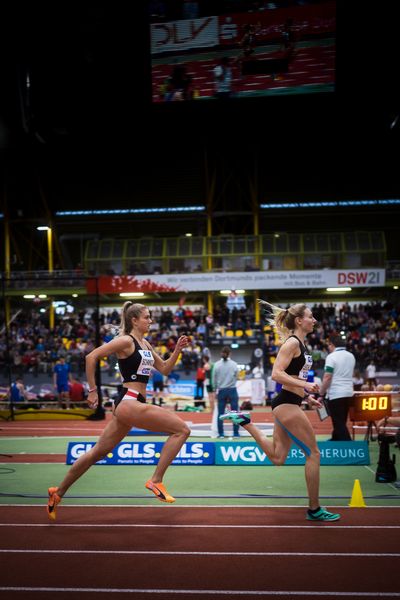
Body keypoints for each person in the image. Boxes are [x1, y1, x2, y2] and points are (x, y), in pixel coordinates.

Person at [46, 302, 191, 520]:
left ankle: (58, 492)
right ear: (134, 320)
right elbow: (91, 357)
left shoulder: (147, 344)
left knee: (97, 453)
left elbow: (165, 369)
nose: (150, 321)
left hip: (132, 403)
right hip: (129, 401)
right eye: (147, 317)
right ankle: (156, 480)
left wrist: (177, 351)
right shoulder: (125, 340)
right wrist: (93, 390)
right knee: (181, 430)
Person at [220, 301, 340, 522]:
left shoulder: (301, 346)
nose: (314, 320)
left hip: (289, 401)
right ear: (299, 321)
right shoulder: (292, 344)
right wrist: (305, 386)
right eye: (311, 317)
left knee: (277, 457)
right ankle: (314, 509)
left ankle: (246, 422)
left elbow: (292, 380)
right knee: (313, 454)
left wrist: (307, 397)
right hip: (286, 404)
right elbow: (276, 374)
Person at [317, 336, 355, 441]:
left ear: (332, 345)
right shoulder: (351, 356)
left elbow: (327, 377)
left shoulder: (331, 357)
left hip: (336, 394)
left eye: (329, 345)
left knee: (338, 422)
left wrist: (321, 394)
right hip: (348, 393)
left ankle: (350, 446)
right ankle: (335, 439)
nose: (328, 347)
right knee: (341, 421)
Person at [214, 346, 240, 438]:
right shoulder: (234, 364)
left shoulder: (216, 365)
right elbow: (237, 377)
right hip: (232, 390)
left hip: (221, 390)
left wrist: (215, 391)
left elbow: (215, 380)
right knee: (235, 413)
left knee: (220, 413)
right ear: (230, 354)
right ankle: (236, 433)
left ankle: (221, 434)